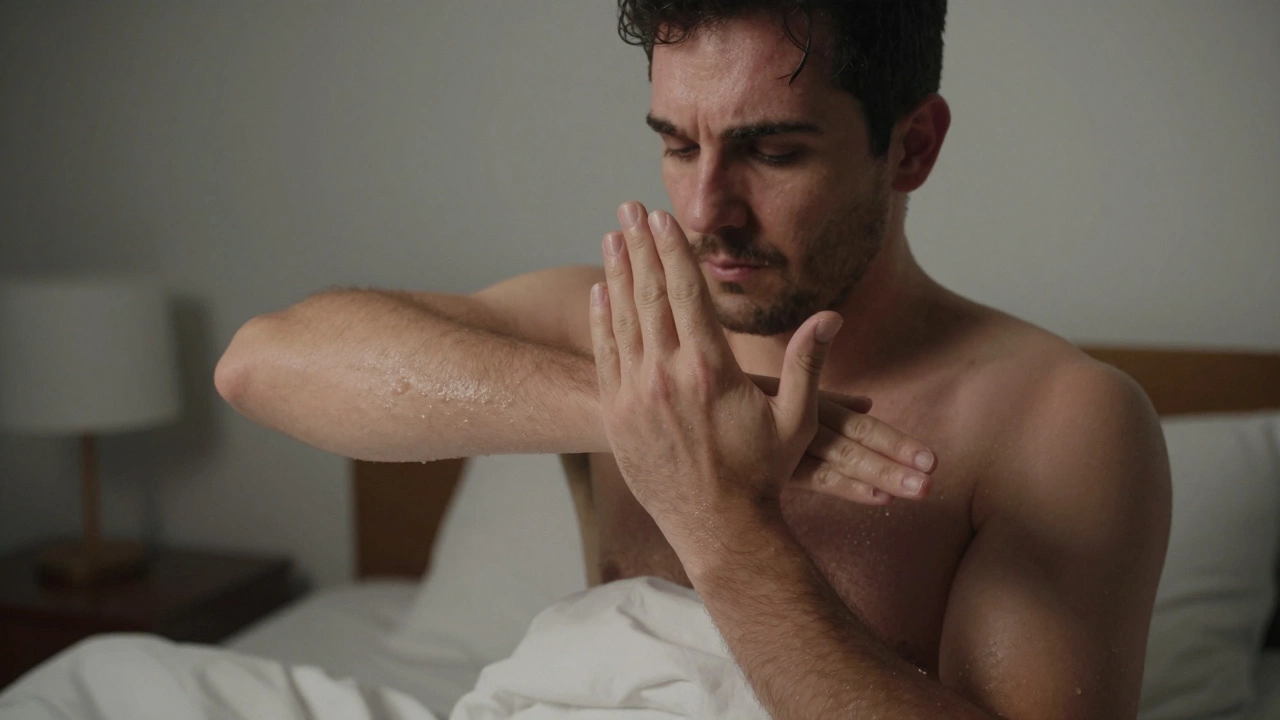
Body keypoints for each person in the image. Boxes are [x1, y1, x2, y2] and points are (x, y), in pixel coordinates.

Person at [215, 2, 1171, 717]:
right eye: (677, 145)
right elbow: (260, 365)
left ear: (911, 147)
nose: (707, 208)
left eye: (774, 153)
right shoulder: (614, 331)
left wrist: (724, 523)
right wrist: (643, 411)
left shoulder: (1058, 418)